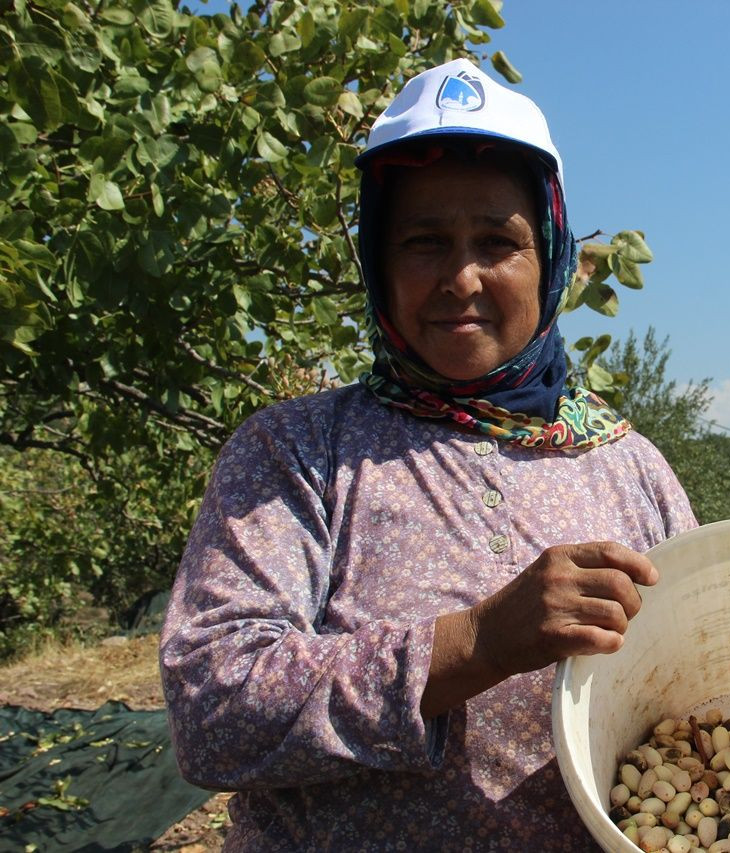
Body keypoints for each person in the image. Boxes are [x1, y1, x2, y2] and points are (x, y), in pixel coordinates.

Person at [160, 58, 696, 850]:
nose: (461, 277)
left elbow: (695, 687)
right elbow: (212, 711)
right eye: (423, 242)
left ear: (546, 255)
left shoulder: (628, 465)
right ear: (378, 262)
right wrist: (476, 642)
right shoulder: (296, 454)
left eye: (496, 240)